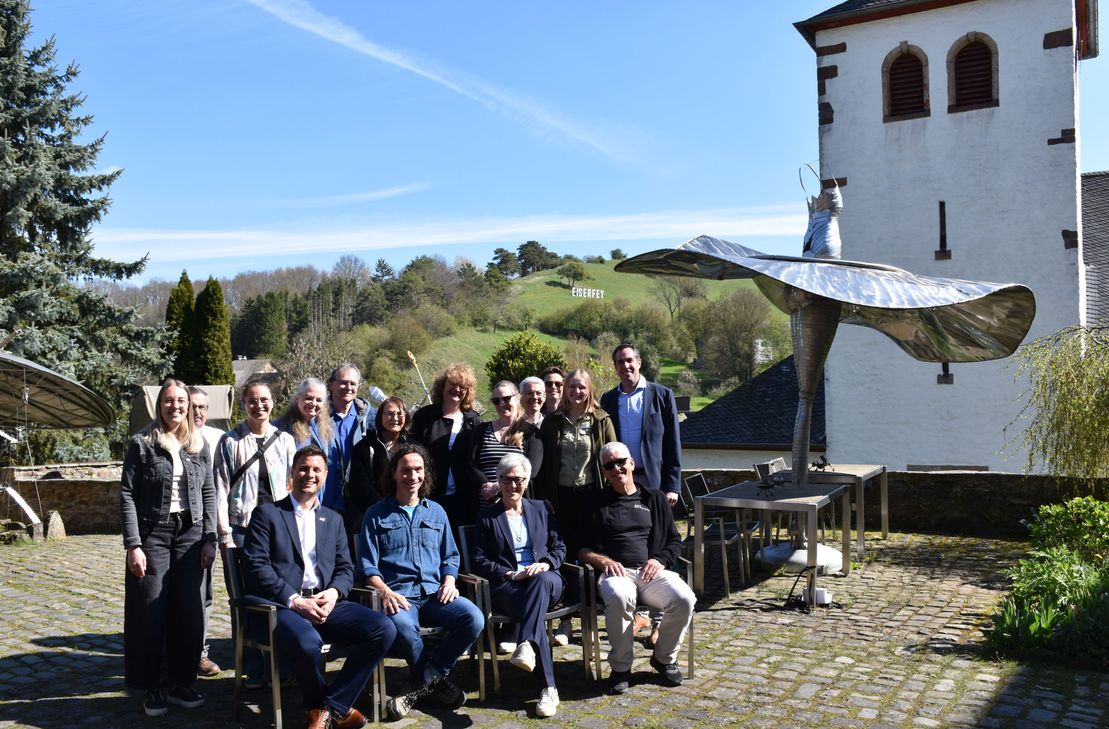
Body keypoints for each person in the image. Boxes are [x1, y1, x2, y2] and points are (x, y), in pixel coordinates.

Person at [242, 445, 396, 729]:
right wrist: (295, 600)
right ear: (292, 473)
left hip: (325, 604)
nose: (309, 475)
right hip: (282, 608)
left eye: (316, 470)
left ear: (325, 476)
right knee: (308, 644)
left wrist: (334, 592)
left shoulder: (334, 519)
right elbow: (255, 568)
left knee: (383, 629)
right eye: (303, 468)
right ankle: (325, 708)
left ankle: (329, 708)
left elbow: (346, 568)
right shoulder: (267, 514)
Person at [357, 443, 485, 720]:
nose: (412, 476)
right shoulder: (376, 515)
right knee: (404, 626)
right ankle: (434, 683)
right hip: (399, 595)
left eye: (418, 469)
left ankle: (423, 680)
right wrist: (384, 591)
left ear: (424, 474)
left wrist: (450, 581)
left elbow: (450, 556)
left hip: (434, 594)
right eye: (405, 470)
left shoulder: (436, 512)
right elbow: (367, 565)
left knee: (474, 617)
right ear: (393, 473)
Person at [120, 378, 216, 716]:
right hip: (153, 535)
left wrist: (210, 538)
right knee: (151, 612)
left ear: (189, 406)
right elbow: (128, 496)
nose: (175, 406)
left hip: (190, 536)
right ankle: (153, 686)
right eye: (168, 401)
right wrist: (133, 544)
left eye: (181, 401)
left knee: (188, 611)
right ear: (159, 404)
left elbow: (208, 493)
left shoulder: (198, 444)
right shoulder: (142, 443)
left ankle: (181, 682)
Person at [578, 442, 695, 696]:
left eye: (621, 462)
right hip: (615, 574)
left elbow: (675, 540)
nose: (616, 468)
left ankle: (664, 658)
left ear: (632, 463)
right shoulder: (595, 502)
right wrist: (604, 561)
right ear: (603, 471)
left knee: (685, 598)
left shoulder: (654, 498)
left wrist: (659, 559)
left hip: (651, 572)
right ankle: (621, 668)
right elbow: (581, 548)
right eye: (609, 465)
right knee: (621, 596)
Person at [215, 379, 297, 687]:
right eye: (252, 400)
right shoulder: (230, 442)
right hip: (242, 530)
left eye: (264, 399)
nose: (258, 405)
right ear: (243, 404)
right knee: (247, 599)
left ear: (273, 403)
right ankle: (252, 667)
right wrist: (224, 534)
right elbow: (220, 490)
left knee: (280, 596)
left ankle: (280, 665)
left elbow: (293, 487)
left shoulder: (286, 441)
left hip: (278, 530)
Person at [470, 453, 565, 718]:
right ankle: (549, 688)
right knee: (532, 608)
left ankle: (524, 642)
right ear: (499, 482)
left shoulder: (541, 509)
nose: (513, 486)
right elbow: (479, 560)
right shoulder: (488, 516)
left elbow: (559, 546)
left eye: (519, 480)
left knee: (540, 580)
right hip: (509, 587)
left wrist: (545, 563)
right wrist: (511, 574)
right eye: (507, 480)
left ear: (526, 481)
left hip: (547, 581)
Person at [535, 368, 616, 646]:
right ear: (565, 390)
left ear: (589, 389)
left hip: (592, 496)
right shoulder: (552, 422)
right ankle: (565, 620)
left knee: (590, 555)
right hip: (561, 499)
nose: (576, 392)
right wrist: (546, 497)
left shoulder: (601, 420)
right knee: (565, 554)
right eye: (572, 387)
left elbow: (612, 457)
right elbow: (543, 465)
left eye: (581, 387)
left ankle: (590, 617)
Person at [599, 344, 682, 506]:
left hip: (654, 480)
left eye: (629, 360)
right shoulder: (608, 399)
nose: (626, 366)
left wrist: (673, 486)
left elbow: (673, 442)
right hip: (620, 479)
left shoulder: (662, 395)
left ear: (639, 362)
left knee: (656, 528)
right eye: (620, 362)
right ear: (615, 366)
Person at [409, 363, 482, 530]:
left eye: (462, 386)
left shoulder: (474, 421)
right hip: (428, 494)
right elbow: (413, 452)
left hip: (463, 498)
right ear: (442, 386)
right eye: (453, 384)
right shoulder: (425, 416)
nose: (457, 389)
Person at [188, 386, 225, 678]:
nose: (197, 412)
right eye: (192, 406)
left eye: (202, 407)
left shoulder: (217, 439)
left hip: (208, 528)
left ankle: (199, 652)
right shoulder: (169, 438)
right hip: (176, 529)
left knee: (204, 594)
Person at [468, 381, 543, 519]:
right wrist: (487, 488)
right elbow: (472, 464)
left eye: (507, 398)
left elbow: (532, 470)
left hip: (518, 508)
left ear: (518, 398)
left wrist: (497, 487)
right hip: (486, 506)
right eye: (496, 401)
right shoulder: (482, 430)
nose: (502, 404)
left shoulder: (531, 433)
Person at [277, 377, 341, 522]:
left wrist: (338, 504)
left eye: (319, 400)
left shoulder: (329, 428)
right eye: (308, 398)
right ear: (297, 399)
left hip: (326, 506)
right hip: (294, 509)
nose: (313, 404)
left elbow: (336, 468)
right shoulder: (281, 429)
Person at [347, 396, 413, 533]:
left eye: (399, 414)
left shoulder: (413, 447)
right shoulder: (364, 447)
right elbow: (360, 486)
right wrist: (385, 508)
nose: (395, 418)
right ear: (380, 417)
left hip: (407, 514)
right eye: (389, 413)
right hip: (373, 516)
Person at [327, 363, 375, 516]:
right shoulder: (317, 417)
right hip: (326, 495)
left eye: (353, 383)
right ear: (331, 385)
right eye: (343, 382)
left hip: (360, 498)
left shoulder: (370, 418)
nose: (348, 387)